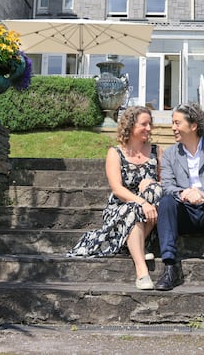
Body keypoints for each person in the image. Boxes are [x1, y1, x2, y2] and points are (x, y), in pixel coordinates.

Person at [67, 105, 163, 290]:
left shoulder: (156, 151)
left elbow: (167, 183)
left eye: (150, 124)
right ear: (130, 125)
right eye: (144, 124)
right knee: (134, 208)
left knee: (155, 191)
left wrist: (152, 185)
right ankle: (141, 271)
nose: (149, 128)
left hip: (150, 214)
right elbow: (117, 189)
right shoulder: (115, 153)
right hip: (120, 208)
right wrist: (141, 202)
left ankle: (134, 243)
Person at [154, 102, 204, 292]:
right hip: (184, 211)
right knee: (166, 201)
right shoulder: (170, 155)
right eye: (172, 123)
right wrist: (185, 193)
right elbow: (167, 186)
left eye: (177, 123)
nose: (173, 127)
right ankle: (169, 268)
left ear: (193, 126)